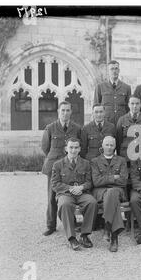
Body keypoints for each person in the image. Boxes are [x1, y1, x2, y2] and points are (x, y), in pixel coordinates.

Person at [41, 101, 81, 236]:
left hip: (70, 167)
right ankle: (51, 225)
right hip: (53, 166)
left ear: (71, 112)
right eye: (63, 110)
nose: (65, 113)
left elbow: (80, 146)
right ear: (58, 111)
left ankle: (72, 222)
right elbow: (45, 148)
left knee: (70, 194)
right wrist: (55, 161)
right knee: (52, 196)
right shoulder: (50, 128)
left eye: (68, 110)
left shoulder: (76, 128)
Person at [51, 138, 97, 251]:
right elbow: (55, 184)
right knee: (65, 205)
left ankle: (85, 235)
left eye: (76, 147)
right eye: (71, 147)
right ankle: (72, 238)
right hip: (65, 194)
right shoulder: (58, 165)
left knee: (92, 202)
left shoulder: (86, 164)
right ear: (66, 149)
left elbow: (90, 182)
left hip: (82, 193)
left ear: (80, 149)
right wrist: (70, 188)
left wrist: (81, 187)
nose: (73, 150)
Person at [91, 136, 128, 252]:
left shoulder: (121, 161)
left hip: (118, 191)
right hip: (100, 192)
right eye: (107, 145)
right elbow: (96, 181)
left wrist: (106, 179)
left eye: (111, 145)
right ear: (102, 145)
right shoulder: (95, 161)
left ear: (115, 146)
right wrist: (114, 177)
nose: (109, 147)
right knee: (112, 197)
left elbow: (123, 181)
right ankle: (114, 237)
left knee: (111, 193)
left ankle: (108, 227)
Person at [94, 60, 132, 124]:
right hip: (106, 123)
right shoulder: (100, 87)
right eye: (112, 69)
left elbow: (128, 108)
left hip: (122, 122)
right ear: (108, 71)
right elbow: (96, 106)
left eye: (116, 69)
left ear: (119, 71)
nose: (114, 71)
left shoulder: (126, 87)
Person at [116, 96, 141, 161]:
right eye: (132, 103)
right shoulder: (122, 120)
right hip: (126, 157)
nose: (134, 106)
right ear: (128, 104)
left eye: (137, 103)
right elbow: (118, 141)